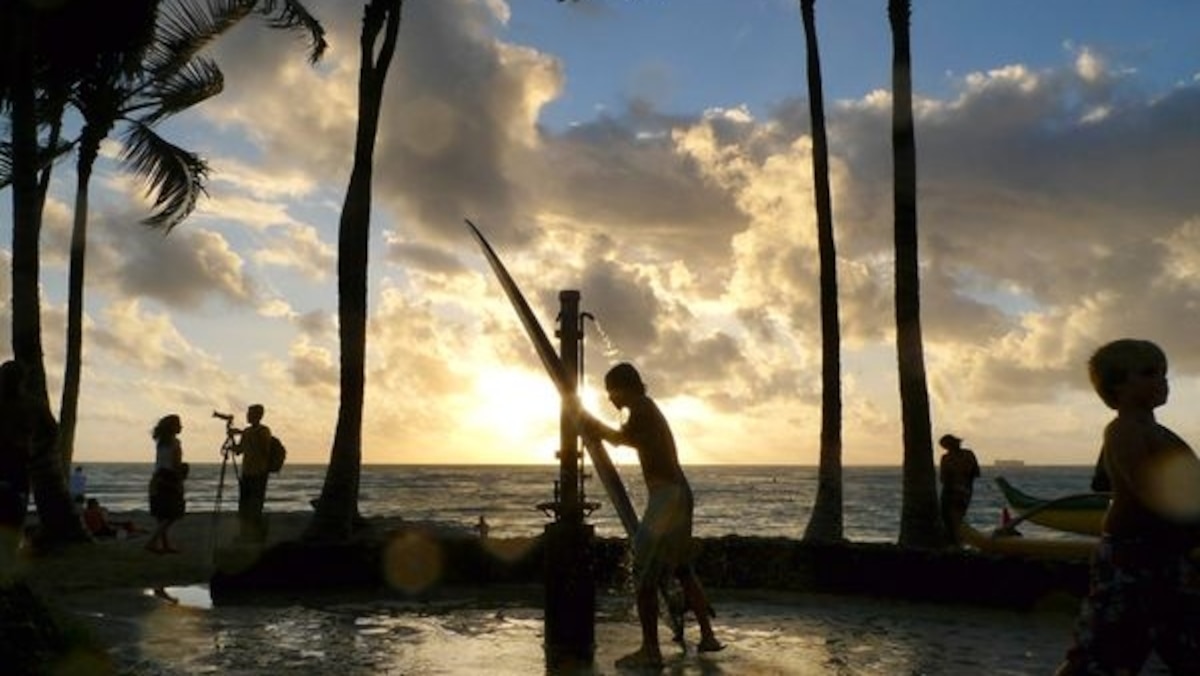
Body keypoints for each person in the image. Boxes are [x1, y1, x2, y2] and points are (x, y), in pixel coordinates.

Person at [1055, 339, 1200, 675]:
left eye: (1164, 373)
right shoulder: (1123, 430)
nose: (1162, 380)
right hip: (1131, 556)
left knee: (1186, 643)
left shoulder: (1163, 433)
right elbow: (1148, 489)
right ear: (1116, 385)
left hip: (1172, 554)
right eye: (1149, 373)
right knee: (1100, 653)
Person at [580, 362, 722, 669]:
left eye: (611, 391)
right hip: (680, 493)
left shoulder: (641, 408)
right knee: (682, 568)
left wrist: (591, 424)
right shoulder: (647, 408)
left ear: (625, 387)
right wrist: (601, 429)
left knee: (643, 572)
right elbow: (628, 439)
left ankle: (650, 651)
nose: (610, 399)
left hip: (667, 496)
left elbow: (622, 439)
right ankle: (708, 636)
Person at [0, 360, 33, 569]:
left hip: (14, 475)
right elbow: (49, 432)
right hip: (16, 476)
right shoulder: (27, 407)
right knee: (13, 524)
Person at [147, 414, 187, 554]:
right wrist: (180, 478)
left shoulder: (161, 442)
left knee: (161, 514)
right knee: (173, 513)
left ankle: (164, 544)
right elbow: (176, 464)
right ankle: (153, 541)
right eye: (179, 424)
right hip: (169, 477)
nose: (181, 426)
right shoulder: (175, 443)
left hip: (158, 477)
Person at [234, 404, 271, 543]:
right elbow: (239, 450)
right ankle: (244, 534)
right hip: (247, 473)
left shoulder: (264, 431)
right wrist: (233, 441)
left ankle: (257, 534)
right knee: (243, 505)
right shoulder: (247, 431)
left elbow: (263, 450)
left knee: (255, 505)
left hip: (259, 473)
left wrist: (243, 434)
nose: (248, 416)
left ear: (259, 415)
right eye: (248, 413)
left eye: (250, 413)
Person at [938, 434, 980, 545]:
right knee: (958, 518)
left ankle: (955, 543)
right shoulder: (969, 454)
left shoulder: (946, 458)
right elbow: (976, 473)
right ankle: (958, 542)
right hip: (966, 491)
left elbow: (943, 479)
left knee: (949, 519)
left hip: (951, 492)